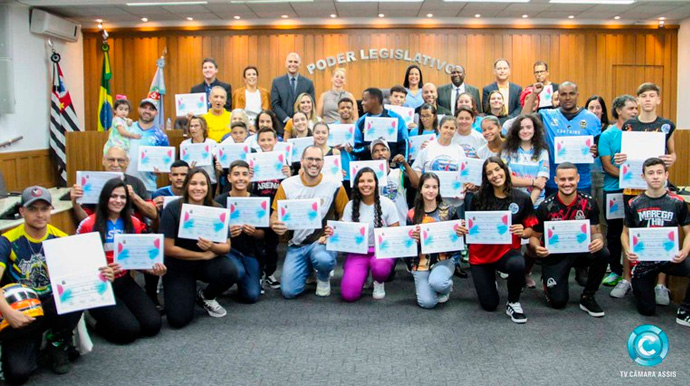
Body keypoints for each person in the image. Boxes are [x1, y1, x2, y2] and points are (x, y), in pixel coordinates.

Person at [0, 186, 113, 383]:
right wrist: (10, 313)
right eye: (33, 209)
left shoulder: (62, 239)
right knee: (18, 374)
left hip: (53, 306)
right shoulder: (7, 241)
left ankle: (57, 340)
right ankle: (32, 342)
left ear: (51, 210)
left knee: (77, 292)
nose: (40, 214)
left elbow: (85, 277)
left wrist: (103, 276)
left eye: (44, 209)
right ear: (22, 211)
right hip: (24, 310)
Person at [76, 179, 165, 343]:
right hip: (100, 285)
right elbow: (78, 262)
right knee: (128, 332)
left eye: (123, 197)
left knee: (152, 325)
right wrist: (100, 271)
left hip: (123, 281)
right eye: (113, 196)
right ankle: (92, 319)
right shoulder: (88, 225)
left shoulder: (134, 223)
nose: (118, 201)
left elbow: (136, 261)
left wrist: (151, 269)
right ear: (104, 198)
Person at [616, 83, 677, 305]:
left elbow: (672, 154)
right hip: (633, 186)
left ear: (659, 99)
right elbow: (621, 155)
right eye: (643, 96)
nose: (648, 99)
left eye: (652, 96)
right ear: (638, 100)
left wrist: (671, 159)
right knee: (629, 230)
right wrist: (619, 159)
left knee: (661, 230)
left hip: (659, 189)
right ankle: (626, 277)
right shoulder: (630, 125)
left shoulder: (666, 125)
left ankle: (660, 283)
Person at [159, 168, 241, 328]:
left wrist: (211, 247)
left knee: (230, 271)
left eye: (203, 184)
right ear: (186, 186)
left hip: (206, 264)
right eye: (193, 183)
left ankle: (205, 296)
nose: (198, 188)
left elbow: (226, 247)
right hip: (178, 265)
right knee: (178, 320)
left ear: (208, 187)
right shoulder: (173, 208)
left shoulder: (217, 209)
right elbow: (168, 249)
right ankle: (184, 290)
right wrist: (203, 255)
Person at [527, 163, 609, 317]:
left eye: (571, 179)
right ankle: (549, 282)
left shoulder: (589, 202)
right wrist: (537, 248)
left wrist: (599, 240)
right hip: (554, 256)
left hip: (580, 252)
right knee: (558, 302)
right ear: (556, 180)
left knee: (603, 253)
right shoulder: (546, 206)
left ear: (578, 179)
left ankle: (588, 296)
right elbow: (534, 237)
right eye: (562, 179)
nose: (567, 183)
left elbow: (596, 232)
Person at [270, 146, 349, 298]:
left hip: (321, 243)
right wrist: (275, 224)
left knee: (323, 259)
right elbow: (274, 215)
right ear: (301, 161)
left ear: (323, 163)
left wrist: (332, 235)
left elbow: (345, 217)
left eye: (318, 159)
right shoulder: (287, 185)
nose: (314, 163)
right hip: (297, 245)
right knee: (288, 292)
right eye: (310, 159)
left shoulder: (335, 185)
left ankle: (323, 277)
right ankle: (308, 267)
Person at [465, 157, 536, 323]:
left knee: (518, 264)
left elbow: (530, 229)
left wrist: (524, 232)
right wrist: (464, 229)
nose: (495, 175)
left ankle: (513, 302)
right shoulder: (477, 198)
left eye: (497, 169)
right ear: (485, 178)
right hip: (481, 255)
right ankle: (490, 282)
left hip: (506, 252)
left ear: (505, 170)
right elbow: (470, 227)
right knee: (490, 304)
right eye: (489, 173)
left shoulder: (522, 198)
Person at [621, 158, 690, 326]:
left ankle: (685, 310)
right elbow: (624, 233)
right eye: (650, 173)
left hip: (670, 259)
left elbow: (688, 232)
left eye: (659, 173)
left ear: (666, 175)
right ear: (643, 177)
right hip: (643, 262)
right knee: (647, 311)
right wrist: (628, 249)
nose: (655, 177)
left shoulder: (677, 202)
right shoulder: (634, 203)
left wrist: (685, 251)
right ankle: (642, 288)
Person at [522, 81, 601, 197]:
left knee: (581, 215)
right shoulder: (546, 115)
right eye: (563, 94)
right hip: (554, 182)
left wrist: (595, 151)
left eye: (571, 94)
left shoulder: (591, 118)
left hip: (581, 181)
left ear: (577, 95)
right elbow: (523, 119)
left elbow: (598, 150)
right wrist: (534, 94)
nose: (568, 98)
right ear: (558, 96)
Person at [333, 168, 399, 301]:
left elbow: (395, 233)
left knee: (380, 268)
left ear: (376, 183)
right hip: (358, 252)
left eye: (370, 180)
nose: (366, 184)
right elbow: (345, 233)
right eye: (361, 181)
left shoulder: (387, 204)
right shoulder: (350, 205)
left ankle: (378, 281)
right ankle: (364, 275)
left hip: (381, 251)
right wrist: (334, 232)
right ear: (357, 184)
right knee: (348, 295)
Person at [501, 114, 549, 288]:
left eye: (529, 127)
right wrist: (531, 181)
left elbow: (542, 181)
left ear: (535, 130)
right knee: (513, 240)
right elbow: (506, 179)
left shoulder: (542, 151)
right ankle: (513, 270)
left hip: (535, 203)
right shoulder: (508, 151)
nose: (525, 131)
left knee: (531, 244)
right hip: (511, 204)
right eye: (521, 127)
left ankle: (526, 272)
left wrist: (527, 203)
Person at [407, 173, 467, 308]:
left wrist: (459, 233)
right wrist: (413, 239)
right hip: (421, 261)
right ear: (420, 189)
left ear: (439, 189)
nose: (430, 190)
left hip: (445, 258)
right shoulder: (412, 213)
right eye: (427, 186)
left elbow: (458, 241)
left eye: (434, 187)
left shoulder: (449, 210)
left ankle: (445, 286)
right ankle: (433, 283)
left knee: (439, 283)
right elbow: (407, 245)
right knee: (427, 303)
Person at [599, 95, 638, 295]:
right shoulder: (608, 135)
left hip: (638, 192)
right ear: (618, 110)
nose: (635, 111)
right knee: (614, 232)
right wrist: (629, 179)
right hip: (614, 190)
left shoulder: (641, 133)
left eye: (636, 108)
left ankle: (634, 272)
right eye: (630, 108)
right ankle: (615, 270)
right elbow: (607, 166)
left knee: (635, 231)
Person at [214, 160, 265, 304]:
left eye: (244, 174)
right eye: (236, 174)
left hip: (249, 253)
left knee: (251, 296)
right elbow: (212, 233)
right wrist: (227, 232)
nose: (240, 178)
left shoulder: (258, 201)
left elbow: (263, 234)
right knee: (238, 272)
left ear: (250, 177)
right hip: (227, 252)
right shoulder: (219, 202)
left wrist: (254, 232)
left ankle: (240, 280)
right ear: (229, 178)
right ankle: (226, 280)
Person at [71, 146, 157, 224]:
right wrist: (75, 203)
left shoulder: (136, 182)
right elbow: (85, 222)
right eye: (111, 160)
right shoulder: (92, 183)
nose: (115, 164)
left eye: (120, 160)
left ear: (127, 162)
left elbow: (153, 214)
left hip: (132, 232)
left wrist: (134, 197)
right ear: (103, 161)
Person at [252, 127, 292, 290]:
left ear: (276, 141)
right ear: (258, 142)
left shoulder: (282, 161)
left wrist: (289, 174)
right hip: (258, 208)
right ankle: (258, 275)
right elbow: (248, 188)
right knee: (257, 244)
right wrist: (249, 175)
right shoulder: (252, 161)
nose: (266, 143)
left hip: (276, 208)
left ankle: (270, 273)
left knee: (272, 244)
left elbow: (290, 186)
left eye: (270, 140)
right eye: (263, 140)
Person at [412, 116, 465, 205]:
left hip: (453, 200)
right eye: (445, 127)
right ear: (439, 128)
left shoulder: (459, 150)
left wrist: (460, 188)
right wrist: (425, 185)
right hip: (431, 199)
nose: (448, 130)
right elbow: (417, 169)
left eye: (452, 128)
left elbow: (464, 174)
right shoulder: (427, 147)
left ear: (455, 130)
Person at [125, 98, 170, 193]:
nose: (147, 111)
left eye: (151, 109)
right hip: (124, 184)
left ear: (156, 112)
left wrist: (160, 169)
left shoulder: (161, 136)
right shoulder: (126, 127)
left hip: (147, 187)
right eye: (144, 108)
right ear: (138, 109)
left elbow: (164, 163)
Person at [353, 88, 408, 161]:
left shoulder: (396, 118)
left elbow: (404, 143)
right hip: (369, 168)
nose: (362, 103)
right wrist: (369, 147)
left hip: (392, 166)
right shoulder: (361, 122)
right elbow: (356, 149)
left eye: (365, 100)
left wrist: (402, 165)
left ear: (375, 100)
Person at [371, 139, 416, 226]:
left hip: (401, 223)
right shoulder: (369, 178)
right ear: (372, 156)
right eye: (376, 151)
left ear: (389, 153)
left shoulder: (399, 173)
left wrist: (405, 164)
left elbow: (416, 184)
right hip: (379, 227)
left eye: (383, 149)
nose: (380, 153)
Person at [271, 52, 315, 136]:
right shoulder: (277, 82)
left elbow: (311, 104)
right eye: (290, 61)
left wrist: (300, 120)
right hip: (282, 127)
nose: (292, 64)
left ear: (300, 65)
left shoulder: (308, 83)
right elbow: (275, 105)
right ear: (285, 64)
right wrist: (288, 120)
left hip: (303, 128)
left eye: (295, 62)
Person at [585, 96, 610, 240]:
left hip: (604, 176)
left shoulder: (608, 130)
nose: (594, 111)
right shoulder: (582, 128)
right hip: (586, 176)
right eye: (591, 107)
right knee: (588, 213)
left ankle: (604, 248)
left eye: (598, 107)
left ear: (603, 110)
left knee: (603, 215)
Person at [181, 116, 222, 194]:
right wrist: (188, 169)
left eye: (196, 126)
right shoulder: (184, 144)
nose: (193, 129)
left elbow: (218, 165)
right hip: (192, 182)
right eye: (191, 126)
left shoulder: (212, 143)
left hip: (210, 181)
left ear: (203, 128)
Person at [332, 97, 357, 193]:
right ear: (338, 110)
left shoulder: (358, 127)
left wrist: (353, 149)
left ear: (353, 110)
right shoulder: (331, 128)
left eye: (348, 107)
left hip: (355, 172)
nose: (345, 110)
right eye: (342, 108)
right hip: (339, 173)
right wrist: (334, 149)